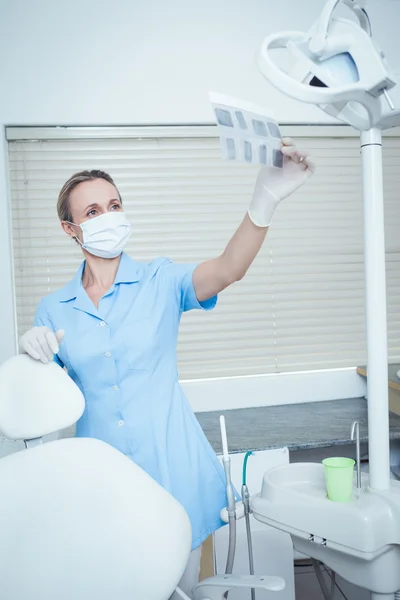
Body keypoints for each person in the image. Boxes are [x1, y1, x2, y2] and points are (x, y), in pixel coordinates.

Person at [19, 137, 315, 599]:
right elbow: (43, 405)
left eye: (114, 205)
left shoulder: (161, 280)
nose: (108, 216)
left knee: (188, 590)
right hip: (104, 488)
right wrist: (30, 358)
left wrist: (266, 198)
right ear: (70, 229)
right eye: (93, 211)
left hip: (178, 474)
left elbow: (228, 268)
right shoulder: (54, 309)